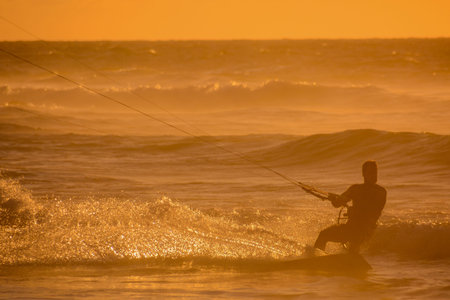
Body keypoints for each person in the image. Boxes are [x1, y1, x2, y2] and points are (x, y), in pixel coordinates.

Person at [314, 161, 387, 253]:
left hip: (363, 230)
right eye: (371, 172)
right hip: (354, 229)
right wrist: (333, 199)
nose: (374, 175)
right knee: (324, 235)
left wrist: (354, 211)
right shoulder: (356, 189)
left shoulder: (379, 192)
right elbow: (337, 204)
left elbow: (374, 211)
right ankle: (317, 259)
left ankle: (315, 259)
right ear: (364, 174)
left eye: (375, 172)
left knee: (324, 235)